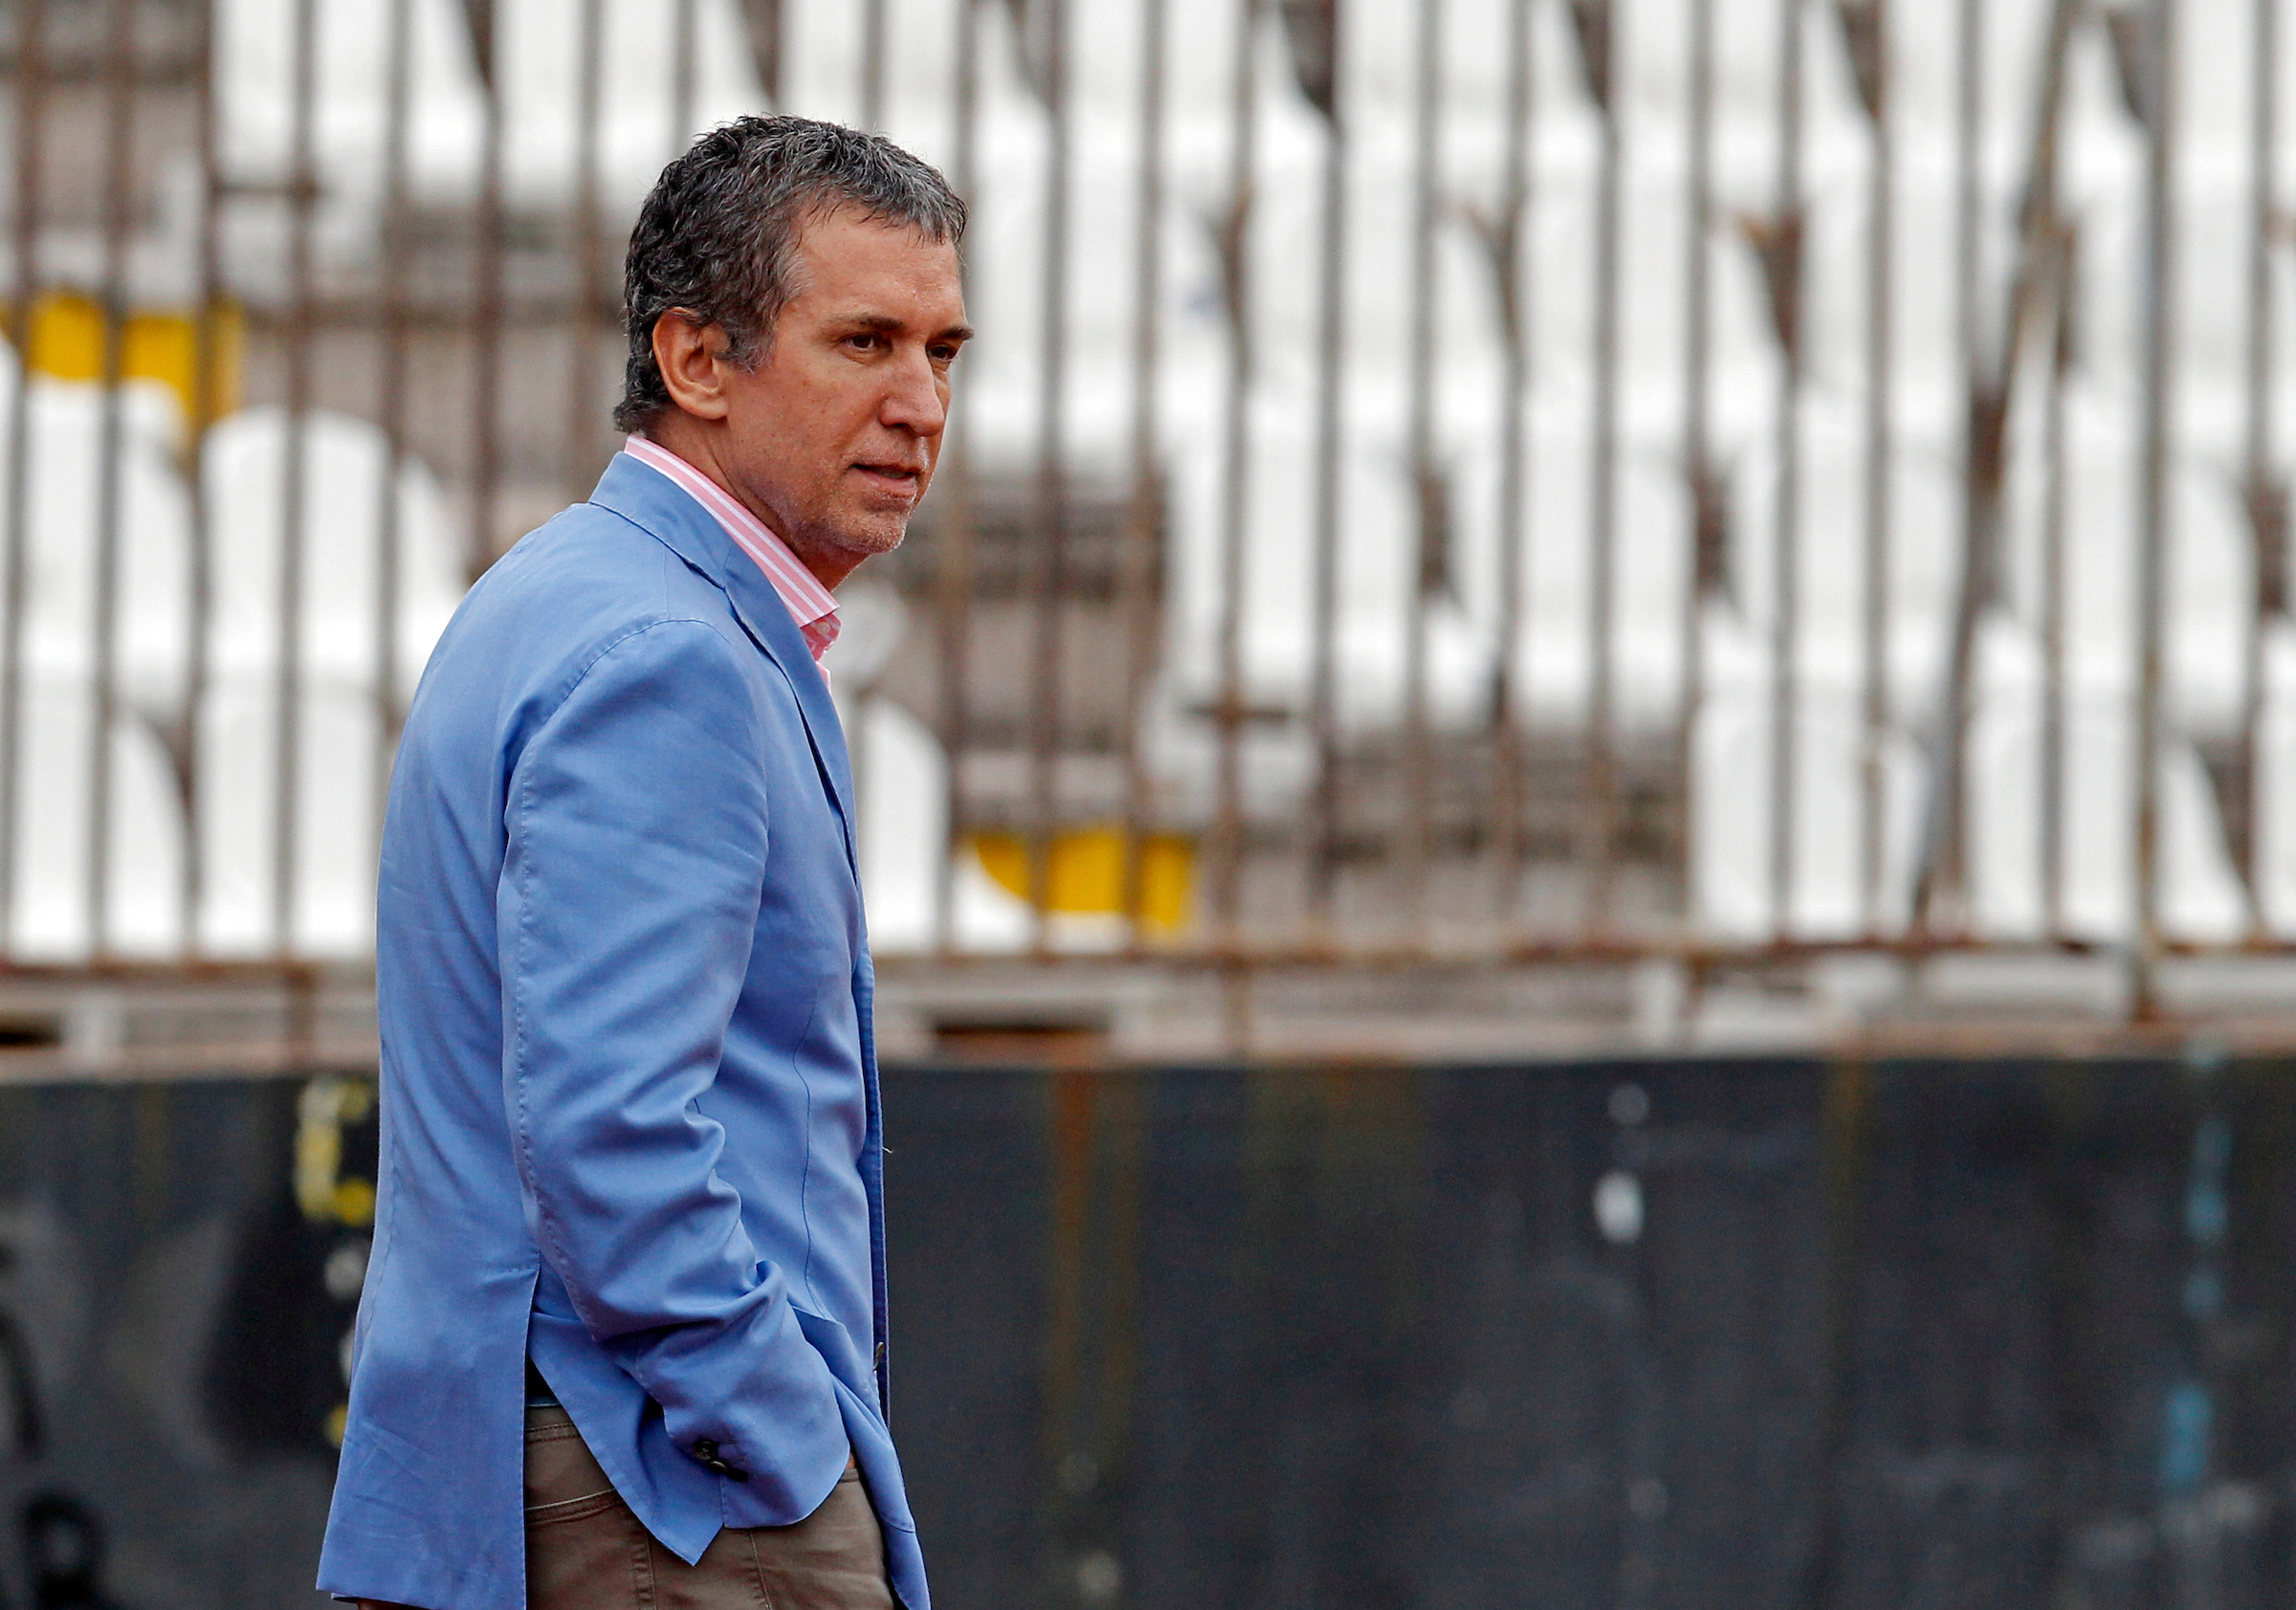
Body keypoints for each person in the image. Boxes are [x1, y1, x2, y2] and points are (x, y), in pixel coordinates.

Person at [317, 116, 969, 1610]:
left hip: (581, 1473)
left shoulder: (568, 593)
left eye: (943, 352)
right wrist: (782, 1438)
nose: (921, 405)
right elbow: (610, 1129)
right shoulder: (665, 653)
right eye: (864, 342)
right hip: (665, 1495)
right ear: (695, 360)